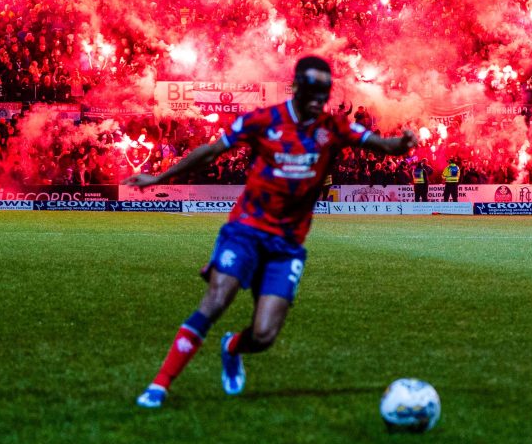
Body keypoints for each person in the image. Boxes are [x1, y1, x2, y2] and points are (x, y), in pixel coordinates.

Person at [130, 56, 417, 408]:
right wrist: (159, 178)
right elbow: (210, 153)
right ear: (296, 87)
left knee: (264, 336)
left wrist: (400, 145)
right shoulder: (263, 120)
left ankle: (232, 346)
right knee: (217, 299)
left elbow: (380, 144)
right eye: (312, 91)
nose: (318, 99)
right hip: (247, 229)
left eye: (323, 93)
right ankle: (159, 385)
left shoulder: (334, 127)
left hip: (287, 244)